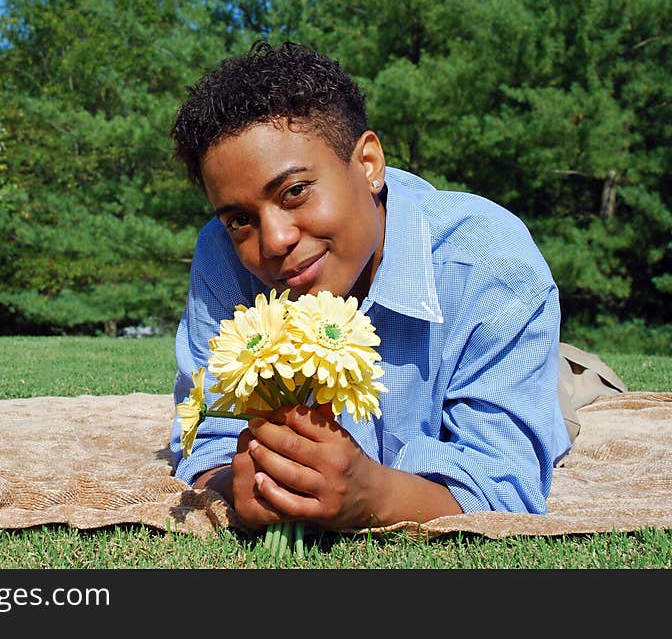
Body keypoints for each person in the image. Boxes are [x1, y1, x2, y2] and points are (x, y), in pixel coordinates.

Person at [167, 39, 577, 532]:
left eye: (295, 191)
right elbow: (209, 439)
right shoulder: (222, 253)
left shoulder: (489, 262)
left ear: (368, 165)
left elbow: (505, 483)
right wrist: (235, 485)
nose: (273, 241)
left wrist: (370, 495)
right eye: (239, 218)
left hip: (506, 358)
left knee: (564, 393)